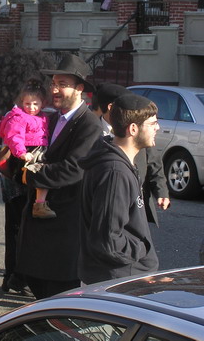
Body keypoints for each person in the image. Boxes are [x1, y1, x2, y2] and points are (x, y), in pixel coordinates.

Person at [15, 53, 102, 300]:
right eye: (53, 83)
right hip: (38, 225)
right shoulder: (49, 118)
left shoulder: (89, 124)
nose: (54, 89)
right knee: (37, 285)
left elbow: (74, 168)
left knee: (58, 295)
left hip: (65, 225)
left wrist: (30, 175)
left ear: (79, 89)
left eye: (62, 84)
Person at [79, 94, 160, 284]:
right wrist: (141, 249)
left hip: (122, 275)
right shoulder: (115, 173)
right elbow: (108, 240)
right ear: (133, 129)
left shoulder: (120, 163)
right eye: (152, 123)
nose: (157, 128)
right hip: (116, 280)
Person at [95, 83, 171, 225]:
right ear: (111, 107)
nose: (157, 128)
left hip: (137, 206)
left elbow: (154, 163)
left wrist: (161, 192)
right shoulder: (91, 131)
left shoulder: (141, 135)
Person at [0, 79, 53, 218]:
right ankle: (39, 204)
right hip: (27, 152)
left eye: (35, 104)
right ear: (22, 102)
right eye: (27, 104)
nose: (31, 107)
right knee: (37, 174)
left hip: (39, 150)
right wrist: (21, 153)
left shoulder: (43, 117)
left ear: (42, 103)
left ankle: (40, 202)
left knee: (42, 174)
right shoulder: (19, 118)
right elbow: (14, 136)